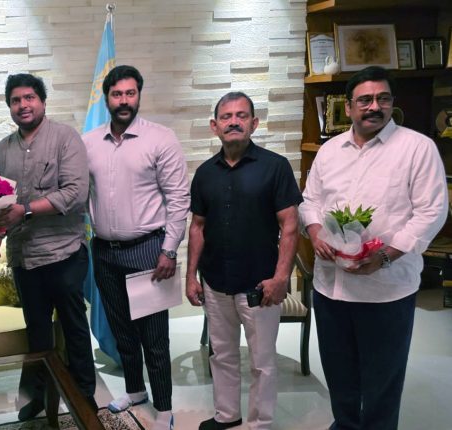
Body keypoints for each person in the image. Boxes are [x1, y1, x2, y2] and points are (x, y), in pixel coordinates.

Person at [300, 66, 448, 430]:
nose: (374, 107)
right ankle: (346, 424)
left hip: (386, 290)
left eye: (382, 99)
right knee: (339, 372)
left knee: (382, 379)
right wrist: (315, 232)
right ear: (349, 106)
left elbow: (431, 211)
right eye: (364, 100)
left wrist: (384, 256)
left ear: (392, 104)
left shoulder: (417, 149)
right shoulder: (330, 151)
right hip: (331, 287)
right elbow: (310, 200)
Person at [185, 92, 302, 430]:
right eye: (226, 116)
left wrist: (281, 278)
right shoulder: (205, 173)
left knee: (262, 362)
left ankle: (259, 424)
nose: (233, 122)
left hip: (260, 285)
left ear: (254, 123)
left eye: (241, 115)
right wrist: (190, 276)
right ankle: (227, 416)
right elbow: (197, 227)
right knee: (221, 355)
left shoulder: (275, 167)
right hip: (215, 282)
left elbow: (290, 225)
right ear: (214, 126)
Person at [83, 65, 190, 430]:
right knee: (122, 331)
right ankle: (135, 390)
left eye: (130, 93)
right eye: (117, 94)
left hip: (148, 251)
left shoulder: (160, 138)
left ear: (139, 95)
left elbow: (178, 198)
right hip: (104, 252)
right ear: (107, 98)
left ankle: (164, 408)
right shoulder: (89, 142)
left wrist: (169, 249)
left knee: (154, 337)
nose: (124, 100)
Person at [0, 73, 97, 419]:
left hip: (64, 253)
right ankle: (35, 396)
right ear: (9, 107)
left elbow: (76, 193)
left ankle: (84, 395)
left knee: (73, 327)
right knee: (36, 333)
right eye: (15, 100)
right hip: (24, 258)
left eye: (29, 98)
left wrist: (26, 210)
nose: (23, 105)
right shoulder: (2, 150)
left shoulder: (66, 138)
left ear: (42, 101)